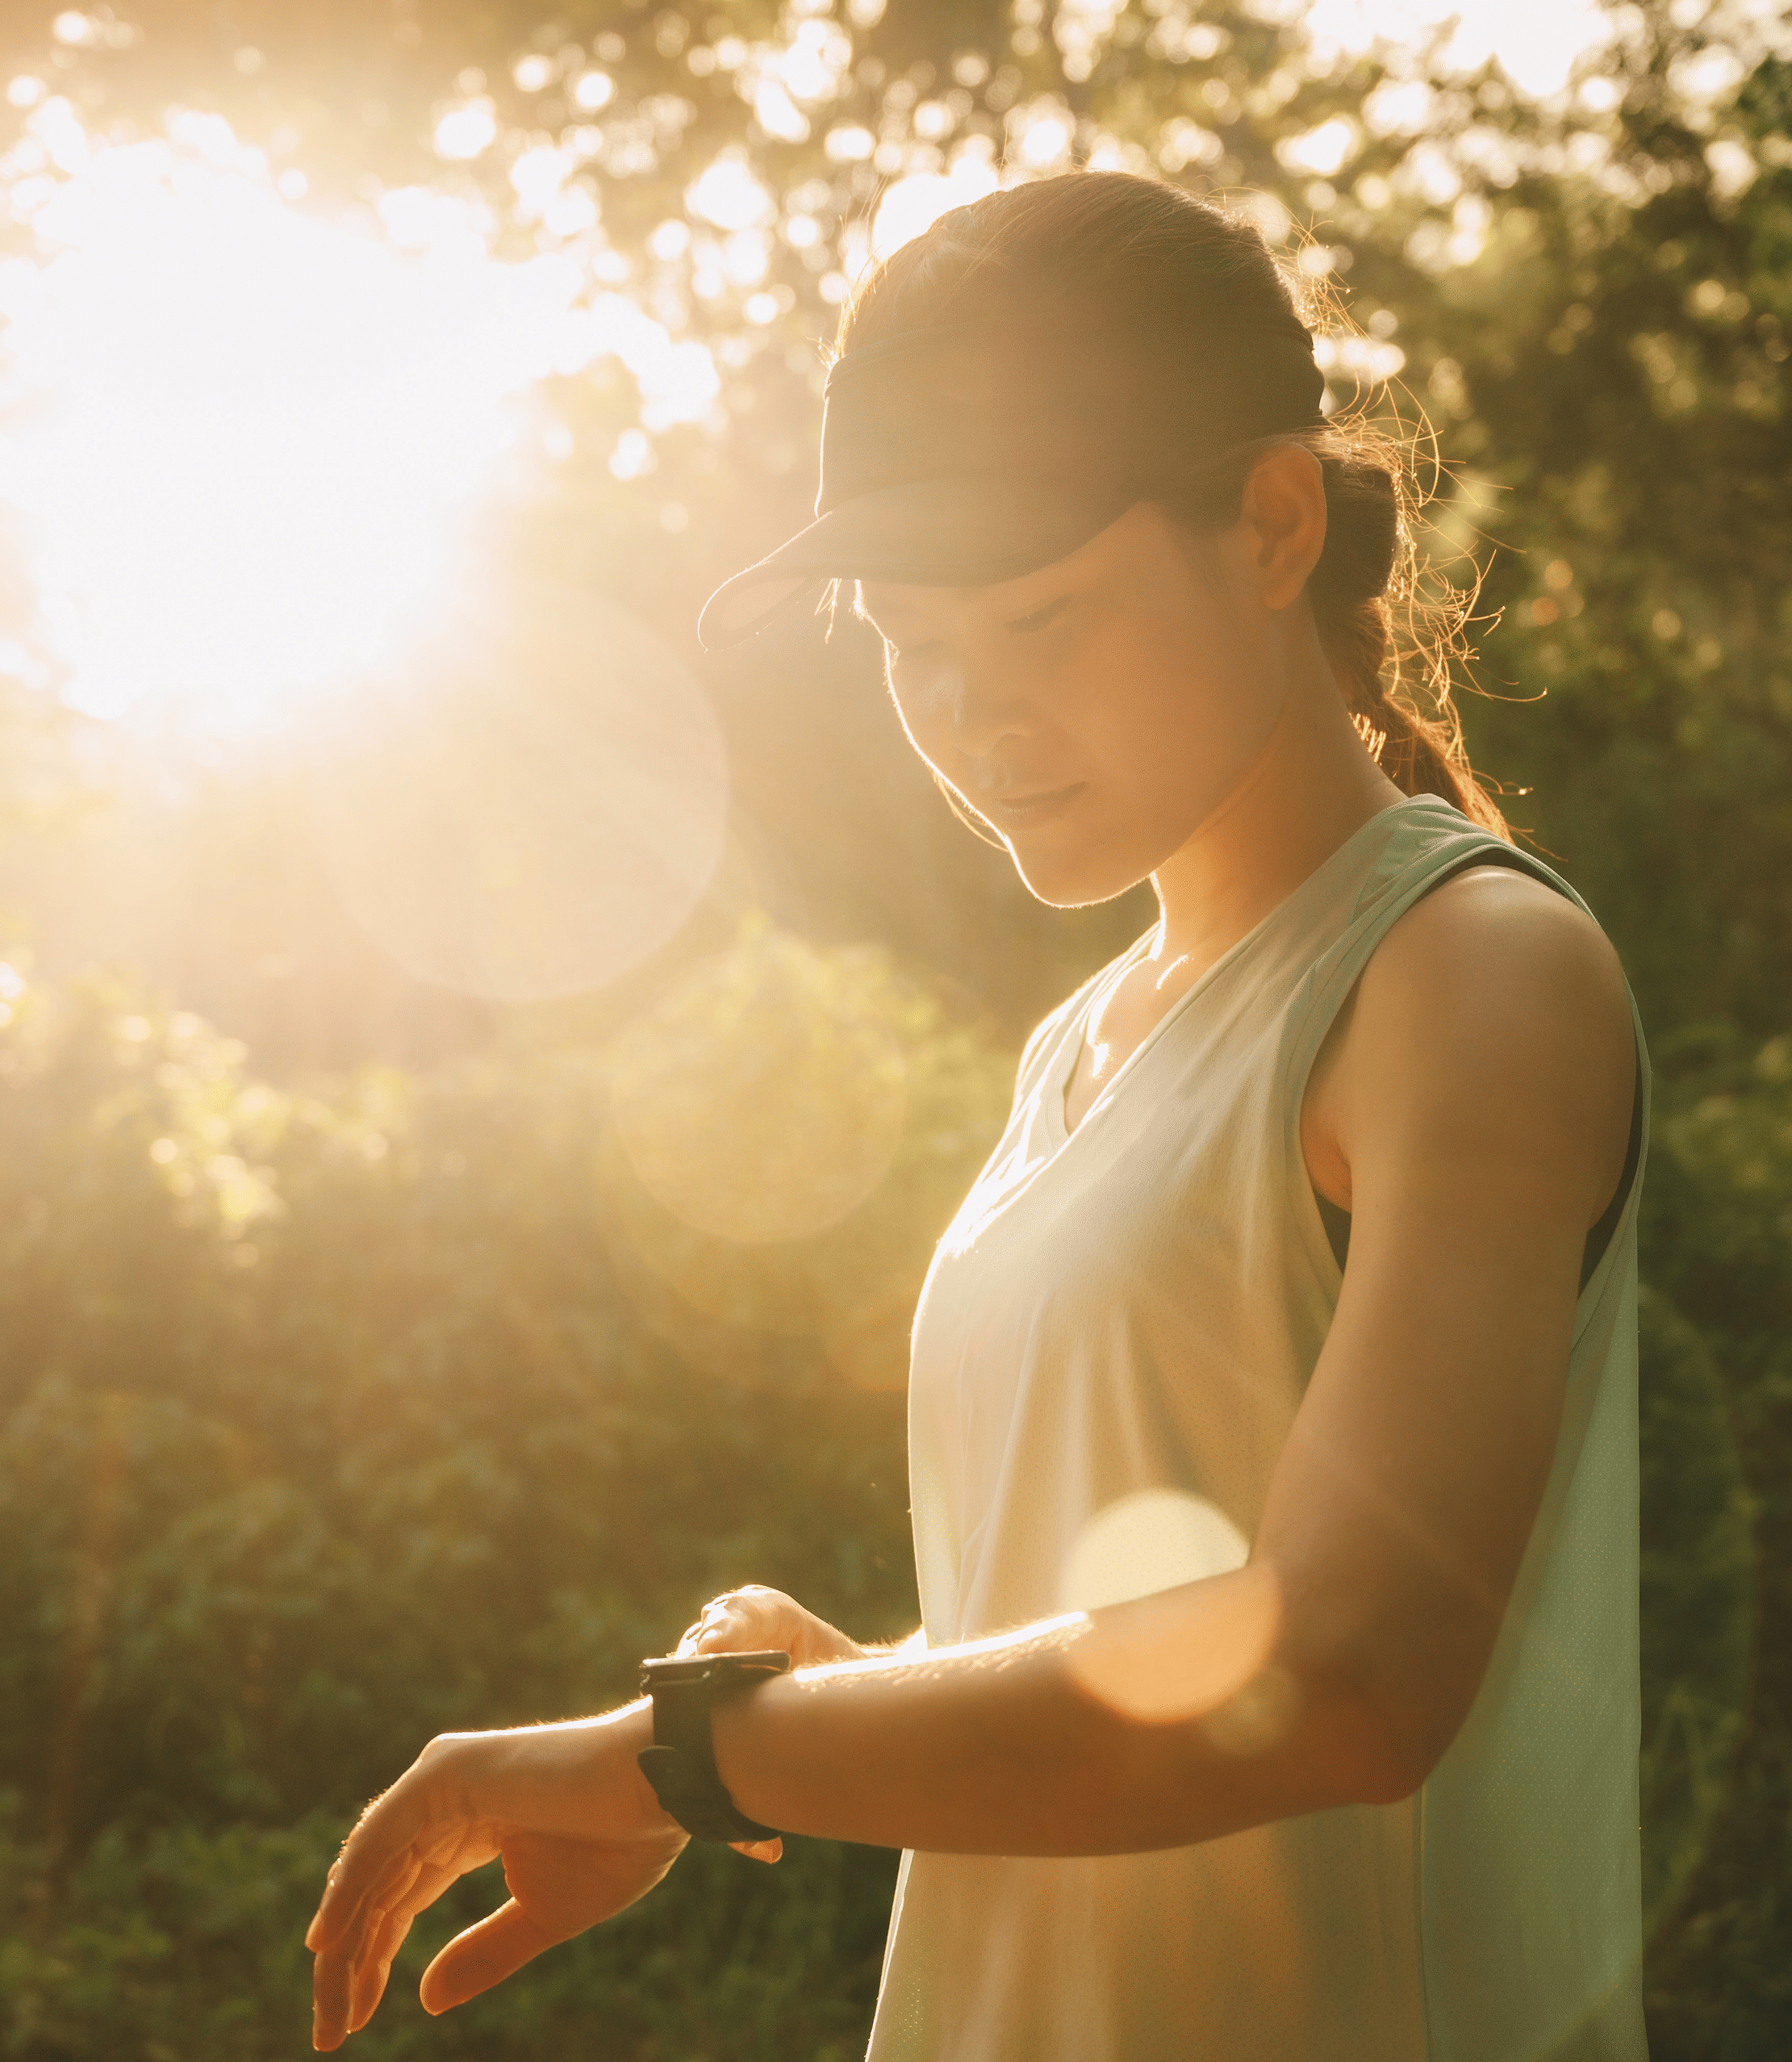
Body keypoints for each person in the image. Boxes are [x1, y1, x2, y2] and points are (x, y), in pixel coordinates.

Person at [305, 170, 1649, 2061]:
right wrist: (839, 1698)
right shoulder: (1083, 1047)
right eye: (908, 639)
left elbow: (1348, 1672)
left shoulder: (1463, 973)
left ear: (1270, 521)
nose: (973, 711)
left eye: (1040, 614)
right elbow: (1137, 1643)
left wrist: (688, 1758)